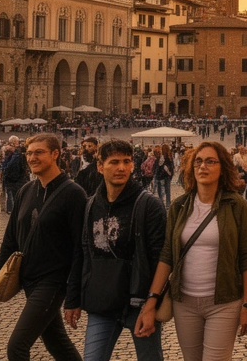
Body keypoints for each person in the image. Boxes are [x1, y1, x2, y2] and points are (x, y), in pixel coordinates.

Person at [136, 141, 247, 361]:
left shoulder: (237, 206)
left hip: (224, 301)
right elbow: (167, 255)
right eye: (198, 162)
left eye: (211, 162)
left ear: (222, 168)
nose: (203, 167)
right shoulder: (179, 206)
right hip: (185, 303)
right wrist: (151, 302)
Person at [0, 133, 87, 361]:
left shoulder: (74, 194)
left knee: (17, 347)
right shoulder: (26, 190)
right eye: (29, 153)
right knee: (57, 344)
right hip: (28, 279)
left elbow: (80, 248)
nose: (32, 157)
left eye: (39, 152)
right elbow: (10, 239)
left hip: (53, 282)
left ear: (55, 154)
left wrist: (73, 296)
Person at [64, 139, 167, 361]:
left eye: (126, 161)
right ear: (100, 166)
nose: (121, 167)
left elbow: (161, 259)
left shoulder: (149, 205)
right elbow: (81, 252)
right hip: (102, 302)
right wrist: (72, 299)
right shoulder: (90, 205)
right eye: (114, 162)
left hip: (139, 303)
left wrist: (152, 304)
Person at [1, 142, 30, 214]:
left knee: (13, 195)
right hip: (16, 179)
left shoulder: (13, 156)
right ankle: (15, 210)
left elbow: (6, 167)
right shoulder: (16, 156)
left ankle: (12, 209)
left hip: (12, 179)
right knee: (16, 196)